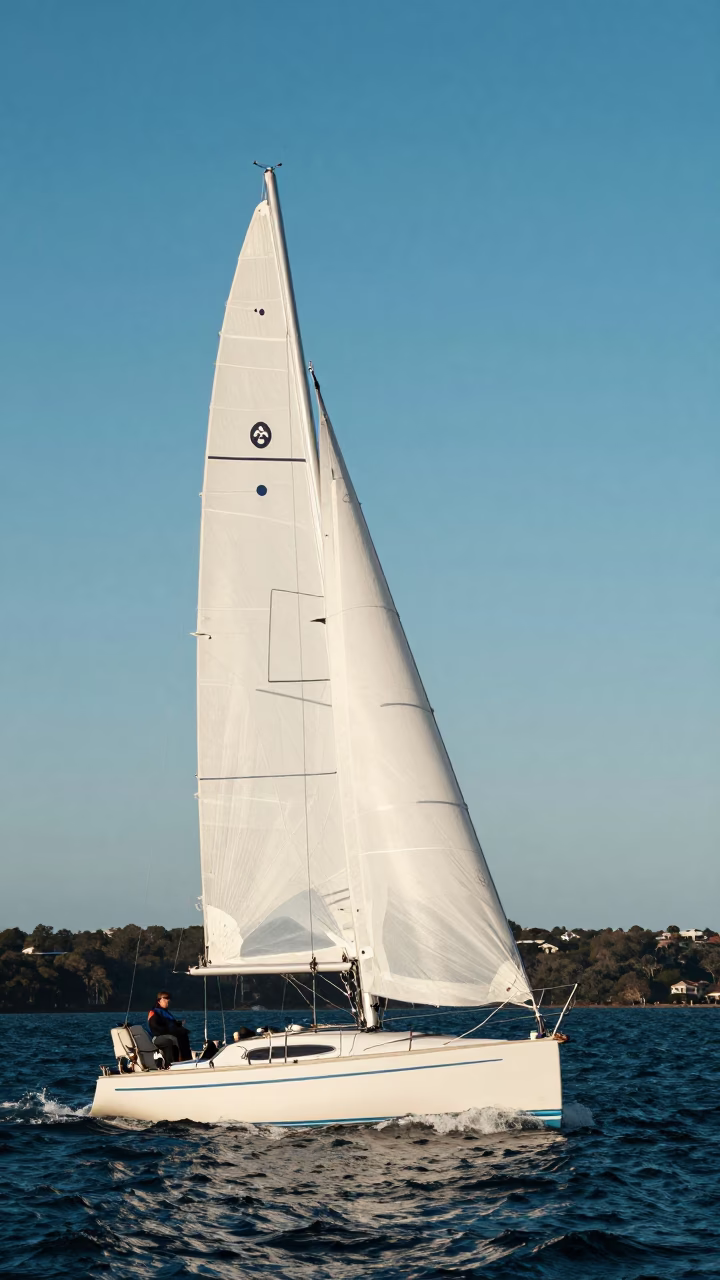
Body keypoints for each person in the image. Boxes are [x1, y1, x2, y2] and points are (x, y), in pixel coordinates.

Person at [148, 991, 192, 1064]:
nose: (167, 1000)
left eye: (168, 999)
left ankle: (187, 1060)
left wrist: (180, 1026)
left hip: (169, 1034)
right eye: (165, 999)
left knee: (183, 1035)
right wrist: (172, 1031)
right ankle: (172, 1063)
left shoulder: (166, 1013)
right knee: (173, 1039)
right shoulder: (154, 1013)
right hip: (157, 1037)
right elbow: (155, 1028)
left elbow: (171, 1024)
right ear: (159, 1001)